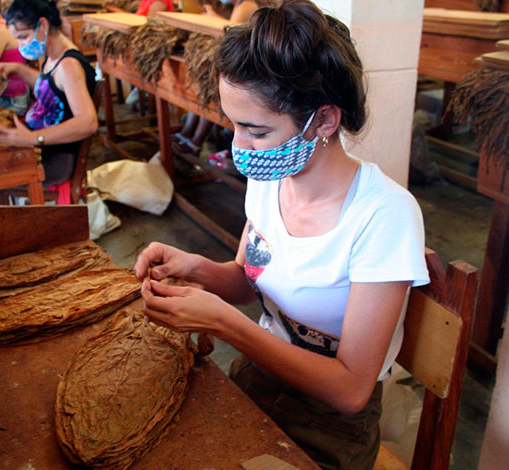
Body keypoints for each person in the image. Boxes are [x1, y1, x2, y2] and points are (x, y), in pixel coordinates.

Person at [133, 1, 430, 469]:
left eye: (256, 130)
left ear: (325, 121)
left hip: (329, 423)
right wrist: (196, 268)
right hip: (258, 377)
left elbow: (351, 390)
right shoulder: (268, 181)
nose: (238, 146)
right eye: (233, 123)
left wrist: (225, 324)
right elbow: (251, 278)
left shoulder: (383, 217)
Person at [0, 0, 98, 204]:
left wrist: (32, 138)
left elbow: (88, 122)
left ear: (44, 25)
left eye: (23, 37)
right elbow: (52, 89)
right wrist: (19, 70)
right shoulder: (53, 57)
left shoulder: (68, 66)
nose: (21, 45)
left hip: (55, 157)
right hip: (40, 146)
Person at [171, 0, 265, 158]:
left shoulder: (248, 5)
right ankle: (189, 132)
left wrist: (211, 14)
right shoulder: (238, 6)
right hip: (236, 62)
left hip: (243, 66)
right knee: (204, 89)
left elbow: (232, 32)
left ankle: (197, 140)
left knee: (211, 93)